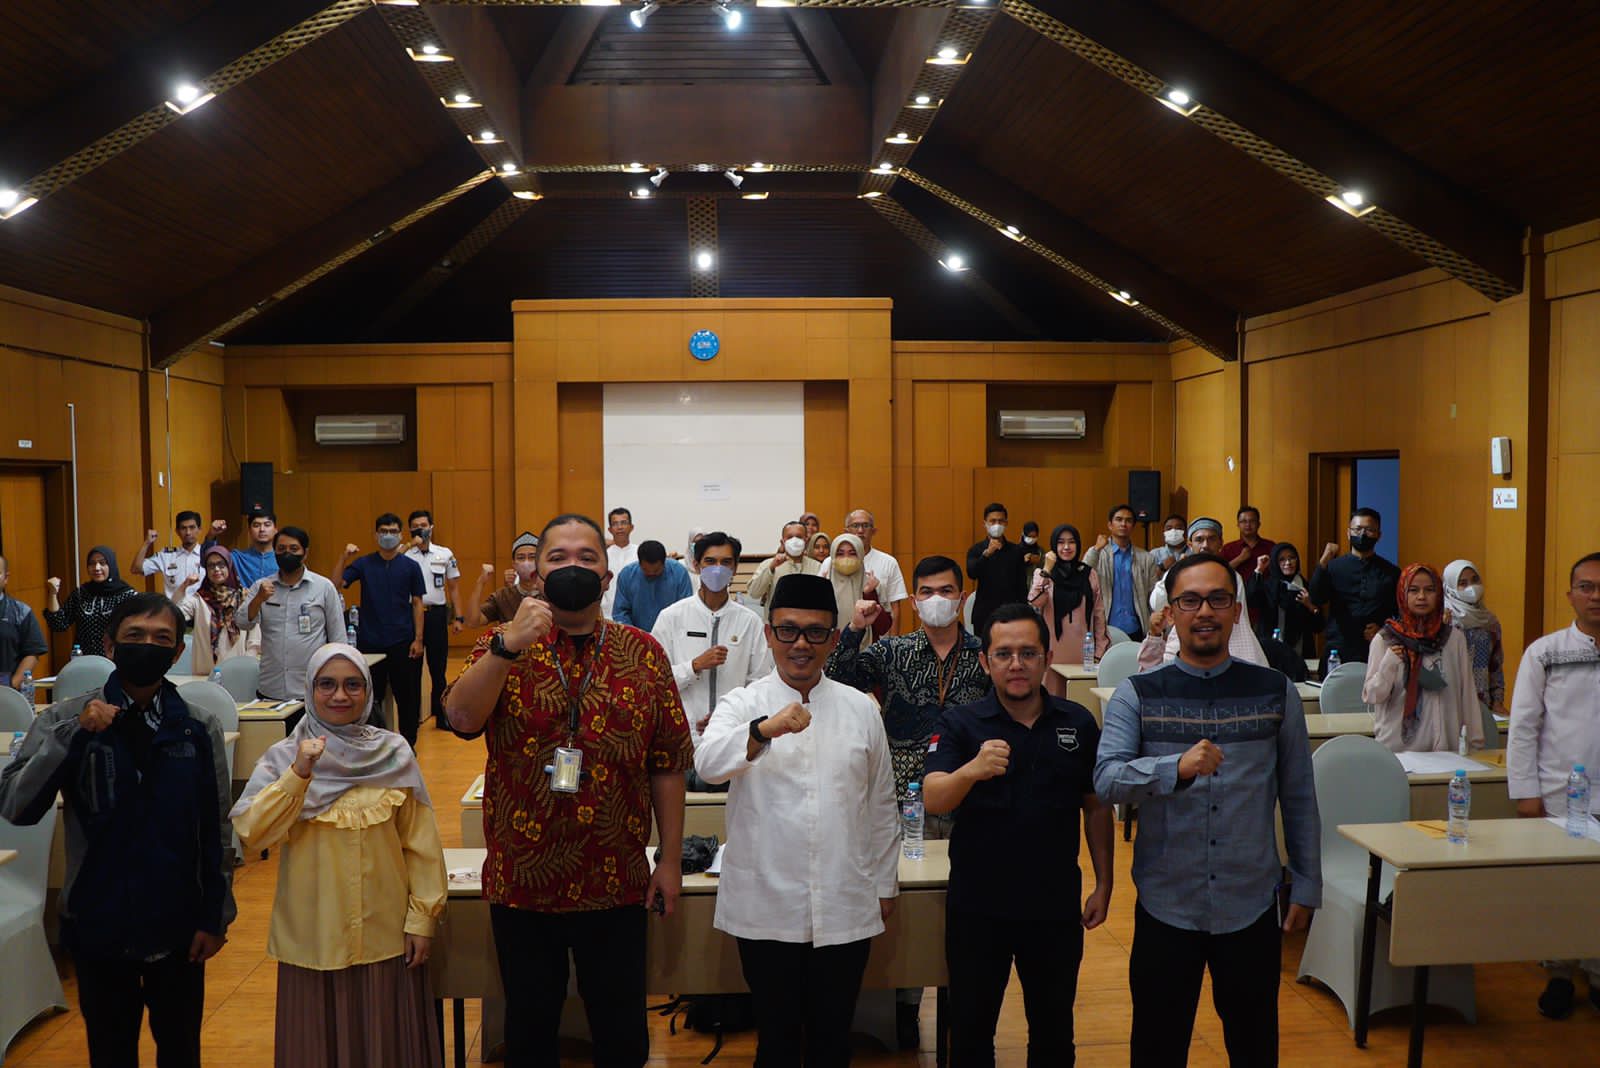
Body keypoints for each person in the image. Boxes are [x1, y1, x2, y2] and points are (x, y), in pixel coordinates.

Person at [443, 513, 693, 1068]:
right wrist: (507, 647)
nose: (572, 567)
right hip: (524, 879)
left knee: (622, 1034)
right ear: (535, 573)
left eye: (587, 557)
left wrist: (671, 861)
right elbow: (460, 719)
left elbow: (668, 764)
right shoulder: (499, 645)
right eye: (558, 557)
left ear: (607, 575)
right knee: (529, 1033)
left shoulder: (644, 653)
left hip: (617, 878)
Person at [1095, 554, 1320, 1067]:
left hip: (1251, 903)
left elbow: (1299, 796)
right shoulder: (1138, 693)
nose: (1204, 612)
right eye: (1190, 600)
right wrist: (1174, 767)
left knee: (1254, 1045)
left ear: (1236, 612)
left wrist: (1307, 883)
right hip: (1166, 902)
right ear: (1171, 612)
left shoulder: (1275, 691)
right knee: (1157, 1046)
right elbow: (1106, 781)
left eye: (1218, 599)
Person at [0, 593, 235, 1068]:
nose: (147, 646)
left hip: (177, 924)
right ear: (109, 645)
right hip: (98, 921)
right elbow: (16, 806)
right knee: (110, 1053)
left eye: (161, 639)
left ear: (176, 652)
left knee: (181, 1052)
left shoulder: (196, 727)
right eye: (134, 636)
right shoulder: (64, 718)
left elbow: (216, 829)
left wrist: (215, 917)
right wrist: (74, 735)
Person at [695, 573, 900, 1068]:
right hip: (765, 905)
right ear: (769, 634)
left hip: (845, 899)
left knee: (833, 1040)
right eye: (787, 630)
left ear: (834, 638)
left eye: (815, 632)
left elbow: (881, 802)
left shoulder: (860, 709)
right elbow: (708, 764)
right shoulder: (743, 703)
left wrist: (884, 885)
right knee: (777, 1042)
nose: (800, 644)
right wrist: (764, 730)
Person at [231, 643, 447, 1067]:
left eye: (352, 685)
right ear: (310, 691)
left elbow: (421, 845)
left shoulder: (394, 753)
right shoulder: (284, 758)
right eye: (326, 684)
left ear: (368, 691)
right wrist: (299, 775)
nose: (340, 696)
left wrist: (423, 919)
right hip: (314, 939)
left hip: (386, 937)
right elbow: (253, 833)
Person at [924, 602, 1114, 1067]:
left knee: (1054, 1034)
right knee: (970, 1035)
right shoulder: (960, 723)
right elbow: (933, 797)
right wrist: (971, 770)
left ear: (1046, 658)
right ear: (985, 661)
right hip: (977, 908)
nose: (1016, 664)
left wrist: (1105, 883)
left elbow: (1096, 806)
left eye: (1028, 653)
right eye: (1004, 654)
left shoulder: (1077, 722)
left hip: (1053, 907)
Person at [1508, 552, 1600, 1019]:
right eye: (1587, 587)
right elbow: (1523, 726)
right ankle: (1561, 973)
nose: (1596, 596)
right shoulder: (1545, 652)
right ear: (1570, 595)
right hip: (1561, 794)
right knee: (1562, 890)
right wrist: (1527, 792)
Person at [651, 532, 772, 750]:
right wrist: (693, 666)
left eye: (725, 562)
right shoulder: (672, 617)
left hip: (733, 736)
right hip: (681, 735)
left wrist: (727, 718)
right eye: (710, 561)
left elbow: (760, 683)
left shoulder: (749, 622)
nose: (718, 569)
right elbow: (653, 680)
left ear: (735, 568)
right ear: (696, 565)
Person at [1362, 564, 1484, 753]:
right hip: (1398, 751)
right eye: (1413, 590)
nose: (1421, 596)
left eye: (1429, 590)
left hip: (1446, 752)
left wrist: (1476, 744)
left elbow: (1467, 694)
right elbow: (1372, 695)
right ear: (1402, 594)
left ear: (1439, 594)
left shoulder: (1453, 639)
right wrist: (1389, 664)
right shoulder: (1386, 639)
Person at [337, 515, 426, 743]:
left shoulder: (411, 566)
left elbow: (418, 603)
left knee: (407, 697)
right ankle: (373, 742)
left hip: (403, 641)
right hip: (371, 643)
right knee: (369, 697)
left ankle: (408, 744)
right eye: (384, 531)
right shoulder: (363, 564)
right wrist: (343, 557)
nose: (388, 535)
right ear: (376, 535)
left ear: (401, 535)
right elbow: (336, 585)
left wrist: (418, 639)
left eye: (393, 531)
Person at [1140, 519, 1268, 671]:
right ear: (1190, 545)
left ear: (1220, 543)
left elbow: (1236, 619)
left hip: (1228, 642)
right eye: (1199, 540)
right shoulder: (1179, 573)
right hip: (1184, 640)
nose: (1205, 545)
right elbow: (1157, 604)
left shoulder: (1231, 577)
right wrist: (1174, 571)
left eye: (1211, 539)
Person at [237, 526, 346, 703]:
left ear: (305, 553)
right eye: (281, 549)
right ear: (274, 552)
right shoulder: (261, 587)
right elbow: (242, 622)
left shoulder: (324, 587)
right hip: (271, 687)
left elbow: (338, 638)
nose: (287, 554)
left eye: (293, 549)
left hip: (312, 689)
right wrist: (258, 599)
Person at [1308, 506, 1400, 668]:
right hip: (1338, 648)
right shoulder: (1333, 567)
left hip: (1375, 647)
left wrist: (1384, 631)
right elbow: (1317, 598)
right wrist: (1323, 562)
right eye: (1357, 529)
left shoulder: (1391, 572)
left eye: (1369, 530)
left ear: (1378, 535)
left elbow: (1400, 614)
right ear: (1348, 533)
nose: (1362, 534)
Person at [1029, 524, 1109, 694]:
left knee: (1080, 699)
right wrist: (1047, 569)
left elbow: (1099, 615)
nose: (1066, 547)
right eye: (1061, 542)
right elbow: (1035, 601)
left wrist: (1099, 652)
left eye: (1071, 542)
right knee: (1052, 699)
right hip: (1052, 652)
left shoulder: (1089, 574)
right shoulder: (1043, 574)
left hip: (1084, 653)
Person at [404, 510, 464, 731]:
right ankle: (412, 718)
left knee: (438, 669)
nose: (420, 529)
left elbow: (454, 588)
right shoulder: (404, 555)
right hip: (411, 615)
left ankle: (441, 716)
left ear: (432, 527)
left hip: (437, 615)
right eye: (415, 526)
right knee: (412, 670)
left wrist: (459, 617)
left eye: (424, 525)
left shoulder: (444, 554)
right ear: (410, 530)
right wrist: (408, 545)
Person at [179, 545, 260, 675]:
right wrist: (184, 586)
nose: (216, 569)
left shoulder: (244, 597)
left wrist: (247, 664)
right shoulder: (199, 599)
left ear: (229, 567)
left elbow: (255, 637)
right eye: (211, 566)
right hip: (206, 673)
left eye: (221, 565)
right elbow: (176, 614)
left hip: (238, 671)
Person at [1442, 558, 1507, 720]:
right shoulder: (1443, 621)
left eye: (1475, 580)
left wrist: (1497, 701)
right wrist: (1441, 629)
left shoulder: (1490, 622)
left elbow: (1496, 665)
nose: (1471, 587)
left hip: (1482, 704)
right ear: (1450, 588)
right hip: (1449, 704)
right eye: (1462, 583)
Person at [45, 546, 139, 656]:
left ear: (111, 565)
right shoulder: (81, 593)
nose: (96, 568)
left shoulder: (127, 595)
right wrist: (53, 593)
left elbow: (136, 632)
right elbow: (58, 624)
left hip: (116, 660)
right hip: (85, 660)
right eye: (92, 563)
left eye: (102, 563)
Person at [820, 510, 909, 624]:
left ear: (874, 531)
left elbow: (894, 607)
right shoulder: (829, 563)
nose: (860, 530)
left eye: (866, 525)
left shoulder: (888, 562)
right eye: (855, 525)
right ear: (846, 531)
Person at [1083, 504, 1157, 642]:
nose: (1123, 524)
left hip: (1137, 628)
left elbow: (1153, 595)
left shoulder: (1146, 558)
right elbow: (1083, 574)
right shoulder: (1099, 553)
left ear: (1133, 526)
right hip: (1105, 627)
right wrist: (1096, 549)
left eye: (1128, 520)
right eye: (1119, 519)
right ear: (1110, 525)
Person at [1247, 543, 1321, 661]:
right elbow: (1251, 599)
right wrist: (1259, 570)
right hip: (1272, 651)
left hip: (1301, 652)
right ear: (1275, 563)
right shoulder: (1269, 587)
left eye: (1292, 558)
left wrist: (1309, 605)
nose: (1288, 563)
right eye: (1282, 559)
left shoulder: (1305, 588)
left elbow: (1319, 626)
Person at [966, 502, 1031, 634]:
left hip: (1012, 614)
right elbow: (972, 573)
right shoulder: (976, 549)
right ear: (985, 523)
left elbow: (1022, 586)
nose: (997, 525)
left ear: (1006, 523)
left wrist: (1024, 614)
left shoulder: (1016, 551)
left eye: (1000, 521)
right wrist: (986, 554)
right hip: (984, 614)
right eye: (993, 521)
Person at [134, 511, 226, 600]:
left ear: (199, 530)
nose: (188, 532)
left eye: (192, 527)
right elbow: (137, 568)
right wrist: (147, 543)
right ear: (177, 531)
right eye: (183, 528)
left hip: (201, 608)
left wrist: (212, 533)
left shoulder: (207, 555)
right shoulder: (167, 556)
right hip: (174, 608)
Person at [612, 540, 694, 633]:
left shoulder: (679, 573)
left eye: (656, 571)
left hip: (671, 634)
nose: (651, 573)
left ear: (664, 562)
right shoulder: (627, 575)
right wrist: (633, 635)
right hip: (637, 635)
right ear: (639, 563)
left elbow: (685, 609)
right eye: (646, 570)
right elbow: (620, 613)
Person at [827, 534, 892, 648]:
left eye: (852, 553)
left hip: (866, 652)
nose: (846, 558)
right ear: (832, 556)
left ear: (861, 555)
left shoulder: (873, 584)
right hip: (830, 652)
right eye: (840, 554)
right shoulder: (824, 586)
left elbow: (883, 628)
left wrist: (869, 594)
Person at [470, 531, 541, 626]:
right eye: (521, 558)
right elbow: (473, 622)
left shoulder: (551, 592)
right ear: (514, 564)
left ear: (540, 561)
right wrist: (480, 582)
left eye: (532, 557)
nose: (526, 562)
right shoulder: (503, 596)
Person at [746, 521, 821, 610]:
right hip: (777, 618)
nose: (794, 541)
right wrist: (771, 568)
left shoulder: (817, 567)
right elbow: (754, 594)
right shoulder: (769, 564)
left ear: (806, 540)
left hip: (808, 617)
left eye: (799, 537)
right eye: (789, 537)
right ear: (783, 541)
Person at [0, 553, 48, 689]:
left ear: (6, 578)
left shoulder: (20, 611)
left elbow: (32, 653)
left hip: (7, 689)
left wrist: (13, 685)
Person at [1221, 506, 1276, 603]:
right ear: (1238, 525)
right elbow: (1221, 573)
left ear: (1258, 524)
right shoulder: (1228, 548)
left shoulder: (1271, 546)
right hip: (1237, 598)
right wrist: (1240, 559)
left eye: (1252, 521)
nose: (1248, 524)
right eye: (1243, 521)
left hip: (1265, 600)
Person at [602, 506, 638, 619]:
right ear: (610, 529)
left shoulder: (639, 553)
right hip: (607, 614)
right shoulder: (603, 556)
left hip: (635, 614)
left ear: (631, 527)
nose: (620, 527)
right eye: (615, 524)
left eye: (623, 523)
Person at [231, 509, 280, 588]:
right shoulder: (238, 558)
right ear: (249, 530)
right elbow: (213, 559)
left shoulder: (282, 558)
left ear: (275, 530)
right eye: (256, 525)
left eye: (267, 525)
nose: (262, 529)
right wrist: (212, 536)